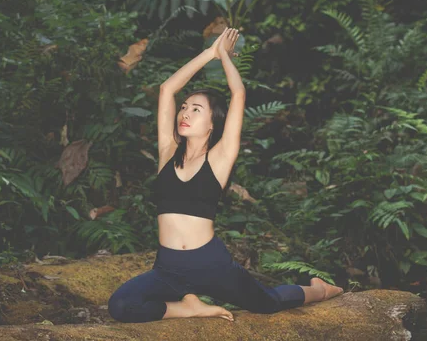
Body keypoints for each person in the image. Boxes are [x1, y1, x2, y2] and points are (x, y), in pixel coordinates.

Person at [107, 27, 344, 323]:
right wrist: (209, 52)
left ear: (211, 124)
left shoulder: (219, 158)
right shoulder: (168, 151)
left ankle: (318, 290)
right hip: (167, 269)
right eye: (184, 108)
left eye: (196, 110)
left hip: (210, 264)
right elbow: (168, 89)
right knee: (120, 306)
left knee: (267, 302)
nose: (185, 113)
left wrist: (224, 57)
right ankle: (187, 307)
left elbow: (238, 93)